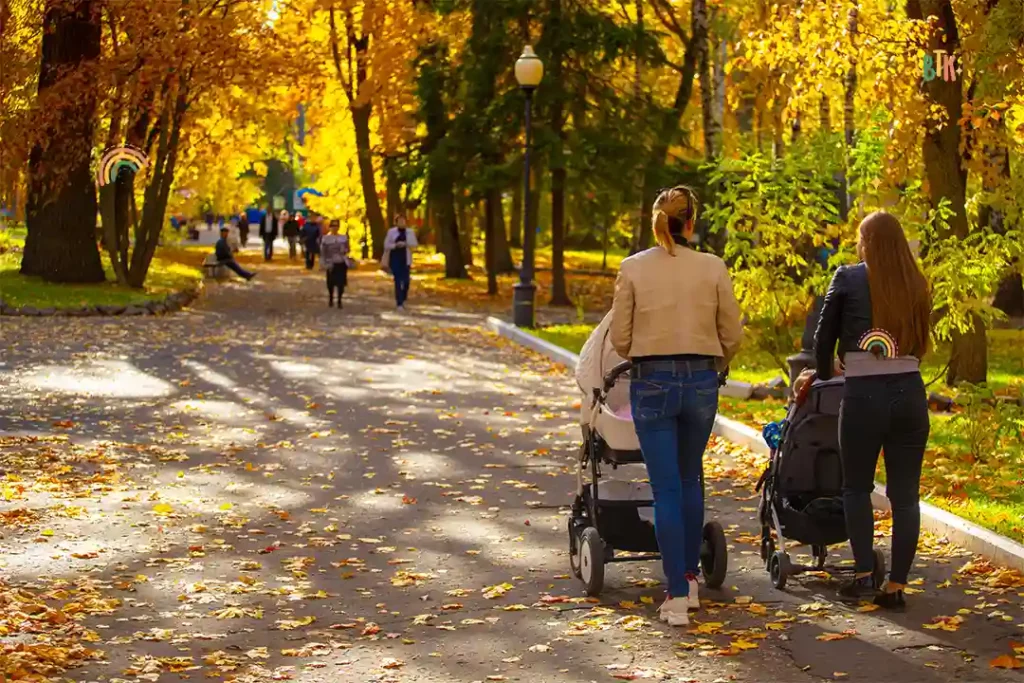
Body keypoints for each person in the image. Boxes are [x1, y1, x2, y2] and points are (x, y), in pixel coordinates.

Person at [609, 186, 743, 627]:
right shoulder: (713, 267)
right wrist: (715, 363)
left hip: (652, 380)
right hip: (701, 381)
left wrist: (646, 352)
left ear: (656, 223)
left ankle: (677, 594)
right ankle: (690, 575)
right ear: (691, 223)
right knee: (690, 478)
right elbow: (732, 332)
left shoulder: (632, 269)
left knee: (666, 486)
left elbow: (620, 338)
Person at [813, 211, 931, 609]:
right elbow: (923, 343)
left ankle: (864, 574)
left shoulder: (847, 277)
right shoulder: (917, 282)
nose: (858, 245)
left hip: (863, 395)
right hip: (911, 395)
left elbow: (821, 340)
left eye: (861, 237)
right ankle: (896, 586)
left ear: (869, 242)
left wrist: (828, 371)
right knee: (905, 496)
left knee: (856, 487)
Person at [382, 215, 418, 310]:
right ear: (396, 222)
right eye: (400, 221)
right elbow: (386, 245)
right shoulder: (391, 232)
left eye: (403, 221)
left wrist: (406, 244)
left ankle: (404, 296)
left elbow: (415, 244)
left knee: (406, 281)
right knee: (397, 280)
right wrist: (395, 245)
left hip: (406, 259)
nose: (402, 223)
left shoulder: (410, 232)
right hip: (395, 258)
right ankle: (399, 303)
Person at [320, 218, 350, 308]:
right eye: (333, 226)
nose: (335, 228)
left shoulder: (343, 238)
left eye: (336, 226)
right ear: (330, 227)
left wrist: (344, 250)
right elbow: (323, 252)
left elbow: (348, 249)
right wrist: (324, 262)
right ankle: (331, 298)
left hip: (341, 262)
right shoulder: (326, 238)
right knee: (331, 282)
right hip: (331, 262)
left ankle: (339, 300)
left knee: (341, 283)